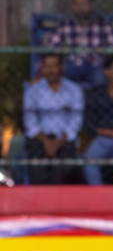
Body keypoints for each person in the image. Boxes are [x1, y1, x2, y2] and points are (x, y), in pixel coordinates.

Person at [12, 52, 84, 185]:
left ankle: (59, 201)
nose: (51, 70)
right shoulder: (33, 90)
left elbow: (76, 121)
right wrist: (46, 141)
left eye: (54, 66)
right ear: (42, 68)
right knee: (35, 162)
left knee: (64, 165)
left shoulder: (74, 90)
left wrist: (58, 141)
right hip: (39, 138)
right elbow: (29, 120)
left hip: (64, 139)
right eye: (47, 66)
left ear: (61, 68)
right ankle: (39, 201)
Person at [44, 0, 113, 86]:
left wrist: (104, 56)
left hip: (96, 64)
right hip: (72, 63)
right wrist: (61, 51)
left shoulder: (102, 23)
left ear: (91, 5)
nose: (80, 8)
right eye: (76, 4)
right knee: (61, 75)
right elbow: (51, 44)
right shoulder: (67, 23)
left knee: (100, 79)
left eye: (84, 4)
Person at [83, 54, 113, 185]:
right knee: (90, 159)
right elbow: (89, 124)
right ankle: (97, 195)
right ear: (107, 71)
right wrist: (111, 133)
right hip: (102, 138)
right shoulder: (96, 93)